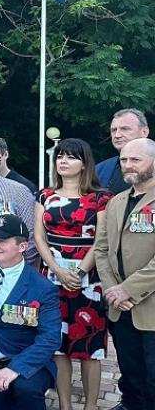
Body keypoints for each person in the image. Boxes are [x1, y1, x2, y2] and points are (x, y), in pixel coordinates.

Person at [32, 138, 112, 410]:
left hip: (89, 278)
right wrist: (56, 270)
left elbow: (101, 240)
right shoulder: (44, 195)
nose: (63, 161)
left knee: (91, 348)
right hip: (51, 277)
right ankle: (64, 405)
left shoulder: (101, 197)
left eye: (71, 157)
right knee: (57, 346)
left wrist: (78, 271)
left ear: (84, 163)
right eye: (60, 156)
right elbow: (39, 238)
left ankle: (90, 406)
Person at [0, 214, 59, 409]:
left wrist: (15, 368)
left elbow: (50, 338)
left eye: (2, 241)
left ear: (22, 246)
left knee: (26, 388)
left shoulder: (42, 288)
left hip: (24, 361)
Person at [94, 137, 155, 410]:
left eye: (136, 160)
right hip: (121, 307)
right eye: (124, 160)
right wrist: (112, 290)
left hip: (150, 307)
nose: (128, 165)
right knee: (130, 372)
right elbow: (102, 249)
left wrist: (127, 289)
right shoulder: (116, 202)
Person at [96, 109, 149, 194]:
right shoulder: (99, 170)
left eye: (125, 129)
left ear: (144, 132)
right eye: (113, 130)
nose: (117, 135)